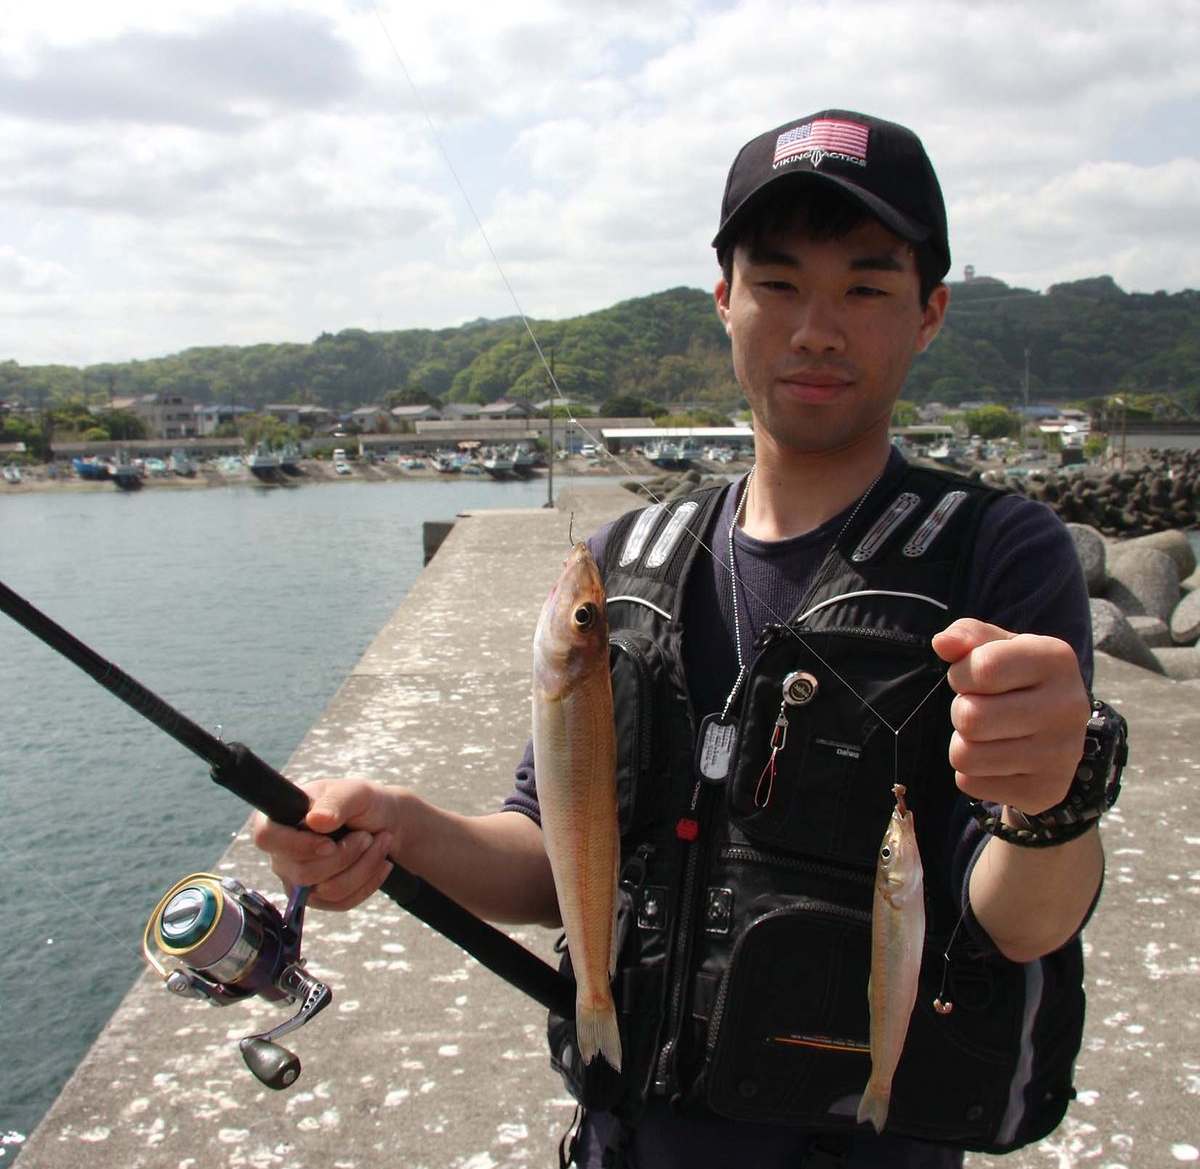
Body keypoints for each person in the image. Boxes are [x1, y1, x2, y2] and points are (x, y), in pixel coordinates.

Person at [253, 110, 1124, 1168]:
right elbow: (550, 856)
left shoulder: (994, 555)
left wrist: (1051, 803)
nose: (815, 328)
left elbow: (1026, 919)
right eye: (777, 282)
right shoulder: (628, 562)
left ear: (930, 312)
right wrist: (398, 823)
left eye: (864, 286)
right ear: (724, 300)